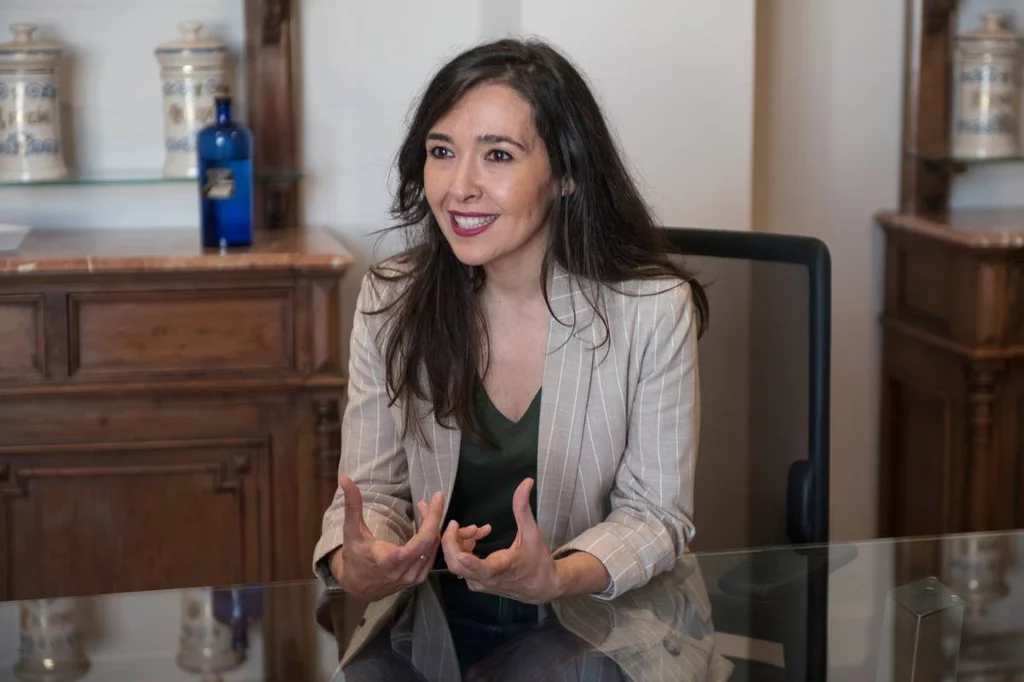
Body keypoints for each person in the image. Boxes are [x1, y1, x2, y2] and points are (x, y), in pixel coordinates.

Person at [313, 37, 708, 681]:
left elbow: (656, 514)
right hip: (433, 618)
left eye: (498, 154)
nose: (459, 186)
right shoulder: (391, 298)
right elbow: (373, 493)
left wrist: (556, 576)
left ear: (568, 173)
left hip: (597, 620)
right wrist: (362, 559)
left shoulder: (653, 308)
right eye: (442, 152)